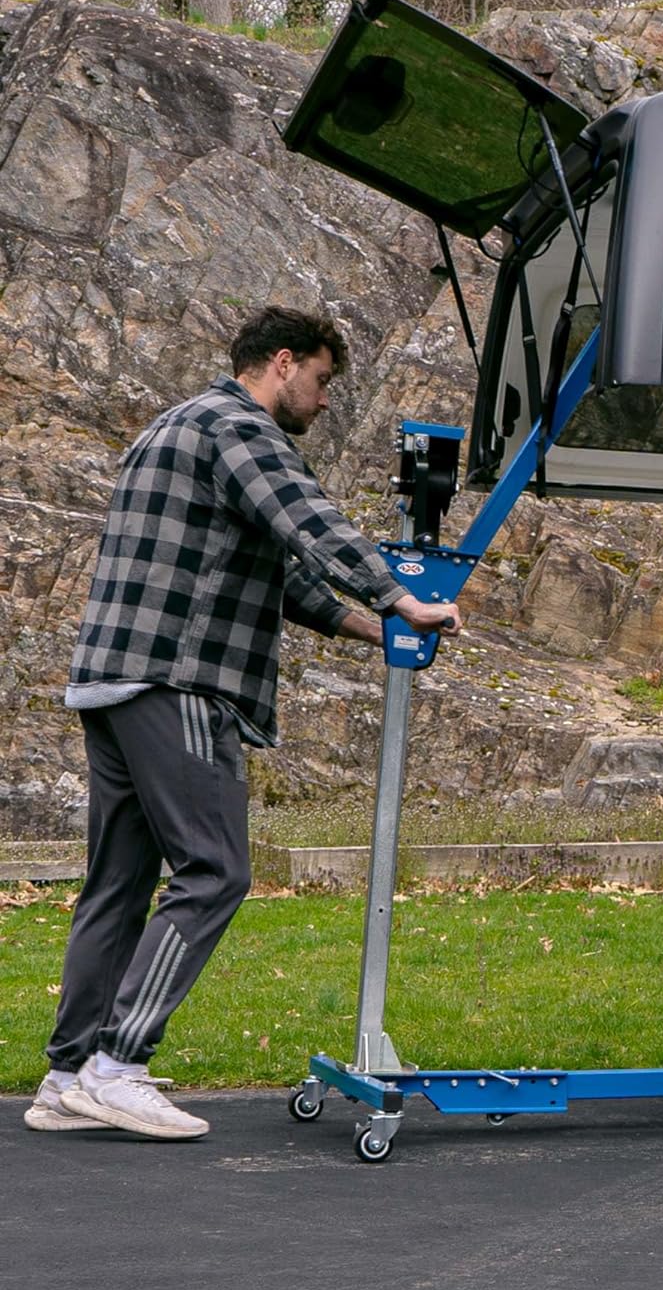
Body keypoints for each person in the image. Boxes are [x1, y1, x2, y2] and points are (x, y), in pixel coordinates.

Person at [25, 306, 461, 1141]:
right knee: (215, 870)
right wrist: (398, 593)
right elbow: (307, 520)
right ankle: (119, 1067)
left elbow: (274, 572)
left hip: (117, 684)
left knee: (117, 886)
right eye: (324, 381)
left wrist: (372, 628)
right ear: (284, 362)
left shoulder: (174, 428)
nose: (326, 400)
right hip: (181, 683)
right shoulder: (239, 426)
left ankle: (67, 1077)